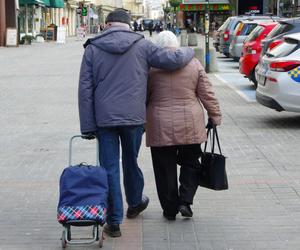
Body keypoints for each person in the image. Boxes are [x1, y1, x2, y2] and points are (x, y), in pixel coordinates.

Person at [78, 10, 195, 237]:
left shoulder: (92, 48)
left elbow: (85, 90)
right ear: (128, 25)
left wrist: (87, 125)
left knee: (109, 167)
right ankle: (134, 202)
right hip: (133, 117)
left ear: (107, 25)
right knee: (130, 161)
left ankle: (113, 221)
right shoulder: (142, 45)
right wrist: (190, 51)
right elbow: (171, 60)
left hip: (104, 119)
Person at [146, 31, 222, 221]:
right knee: (191, 164)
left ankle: (170, 209)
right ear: (176, 44)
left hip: (159, 123)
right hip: (190, 122)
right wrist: (215, 115)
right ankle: (185, 201)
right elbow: (207, 93)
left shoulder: (149, 66)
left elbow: (141, 96)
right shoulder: (193, 62)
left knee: (164, 169)